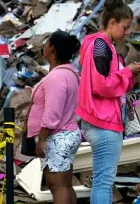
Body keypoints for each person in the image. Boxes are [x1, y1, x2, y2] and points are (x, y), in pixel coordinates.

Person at [76, 0, 140, 204]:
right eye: (125, 27)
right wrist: (127, 72)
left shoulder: (96, 45)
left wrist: (129, 73)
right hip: (103, 122)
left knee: (101, 181)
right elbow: (102, 85)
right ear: (112, 22)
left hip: (96, 120)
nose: (127, 32)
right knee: (104, 183)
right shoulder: (101, 46)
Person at [26, 30, 81, 204]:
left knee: (57, 186)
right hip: (67, 133)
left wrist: (42, 139)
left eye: (46, 43)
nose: (44, 46)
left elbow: (52, 112)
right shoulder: (70, 73)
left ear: (52, 48)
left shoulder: (56, 77)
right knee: (64, 185)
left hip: (57, 136)